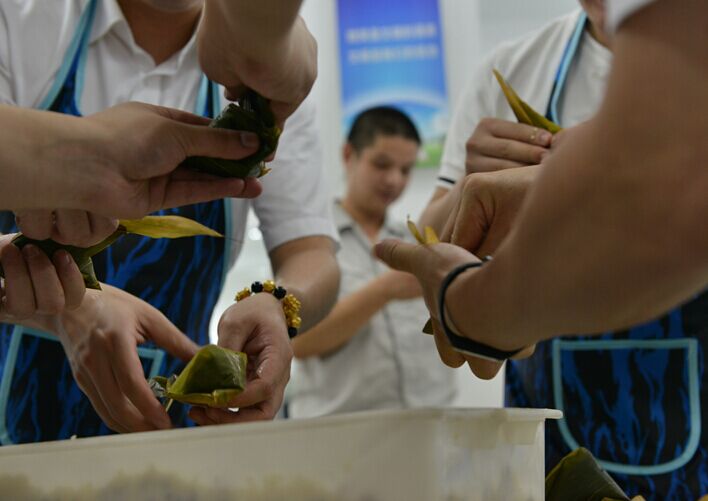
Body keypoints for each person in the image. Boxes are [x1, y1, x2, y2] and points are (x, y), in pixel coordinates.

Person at [376, 0, 708, 498]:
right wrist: (473, 181)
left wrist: (479, 310)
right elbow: (428, 237)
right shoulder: (513, 68)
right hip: (549, 421)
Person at [0, 0, 338, 441]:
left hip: (169, 431)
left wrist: (277, 303)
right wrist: (71, 305)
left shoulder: (263, 86)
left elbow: (313, 254)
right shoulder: (22, 19)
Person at [289, 107, 456, 417]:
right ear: (348, 155)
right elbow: (297, 343)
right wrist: (384, 290)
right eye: (381, 164)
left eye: (405, 170)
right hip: (340, 432)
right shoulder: (311, 242)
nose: (394, 180)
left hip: (430, 424)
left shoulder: (416, 243)